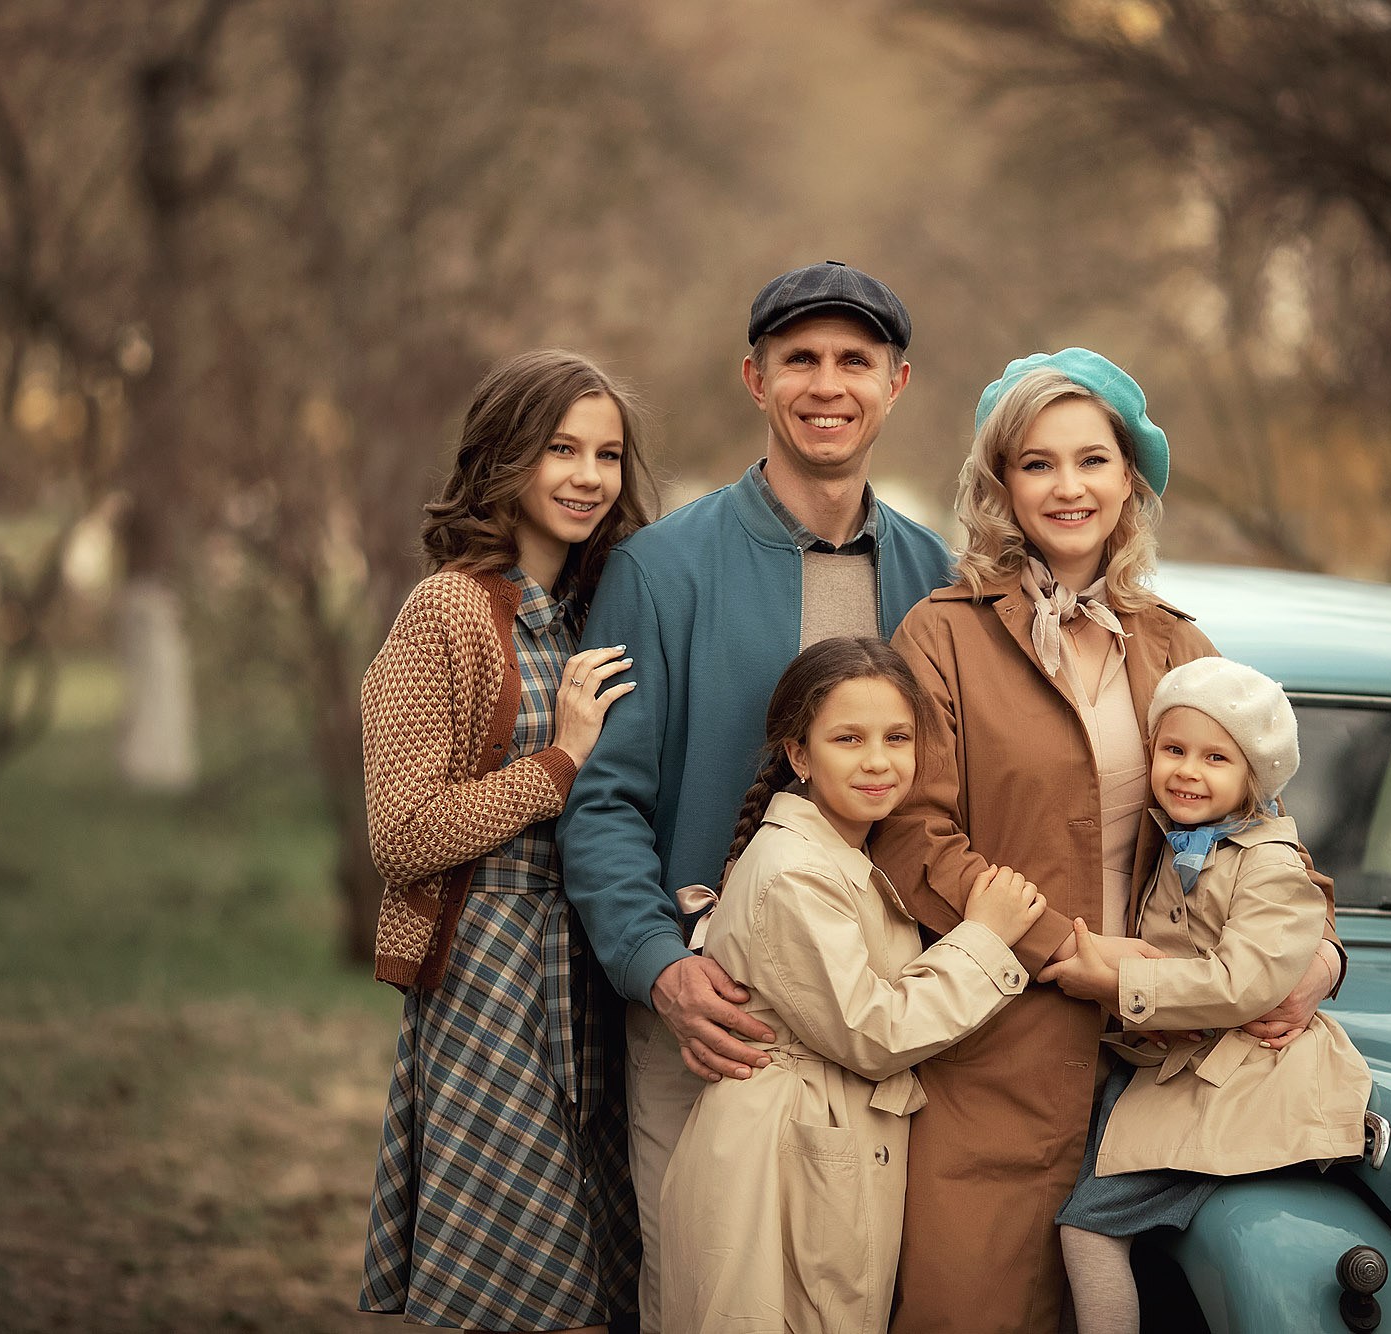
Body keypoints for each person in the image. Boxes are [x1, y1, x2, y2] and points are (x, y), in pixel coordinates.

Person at [870, 348, 1347, 1333]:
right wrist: (1063, 947)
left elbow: (1257, 827)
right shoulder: (940, 633)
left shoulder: (1177, 642)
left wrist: (1320, 957)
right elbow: (913, 834)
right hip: (989, 1052)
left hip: (1168, 1065)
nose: (1066, 485)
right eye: (1035, 462)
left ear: (1130, 476)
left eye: (1091, 459)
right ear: (998, 482)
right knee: (970, 1308)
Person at [556, 262, 956, 1331]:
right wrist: (662, 971)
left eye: (853, 361)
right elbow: (601, 805)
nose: (826, 384)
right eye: (799, 360)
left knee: (855, 1300)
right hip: (711, 1020)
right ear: (754, 377)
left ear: (896, 382)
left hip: (875, 1019)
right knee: (705, 1299)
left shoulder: (936, 579)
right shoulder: (660, 568)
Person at [356, 349, 654, 1333]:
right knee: (518, 1294)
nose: (587, 474)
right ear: (503, 457)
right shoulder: (444, 610)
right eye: (560, 447)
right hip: (491, 978)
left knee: (611, 1285)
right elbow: (402, 834)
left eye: (607, 453)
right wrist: (558, 760)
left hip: (598, 977)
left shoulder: (601, 608)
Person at [657, 636, 1043, 1333]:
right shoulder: (795, 871)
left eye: (898, 737)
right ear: (799, 755)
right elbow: (872, 1029)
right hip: (775, 1162)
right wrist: (985, 936)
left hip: (810, 1145)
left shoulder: (838, 854)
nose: (877, 760)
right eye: (848, 738)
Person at [1038, 656, 1373, 1334]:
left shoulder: (1270, 862)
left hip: (1242, 1079)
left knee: (1089, 1229)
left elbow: (1238, 982)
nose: (1188, 770)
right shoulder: (1181, 842)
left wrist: (1117, 981)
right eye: (1173, 750)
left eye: (1216, 757)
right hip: (1180, 1067)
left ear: (1254, 778)